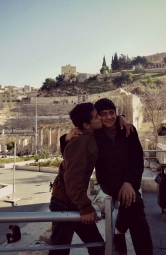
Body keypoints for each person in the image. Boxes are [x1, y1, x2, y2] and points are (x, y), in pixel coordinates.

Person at [61, 98, 153, 255]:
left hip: (128, 179)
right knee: (135, 205)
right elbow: (71, 151)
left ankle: (118, 232)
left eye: (112, 113)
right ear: (97, 116)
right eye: (102, 114)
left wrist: (129, 182)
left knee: (132, 207)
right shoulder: (94, 133)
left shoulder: (128, 130)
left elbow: (137, 159)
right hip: (108, 180)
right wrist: (65, 138)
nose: (109, 117)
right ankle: (122, 235)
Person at [49, 102, 105, 255]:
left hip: (74, 202)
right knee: (59, 251)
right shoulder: (80, 142)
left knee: (98, 245)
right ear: (87, 125)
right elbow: (73, 178)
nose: (100, 118)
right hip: (65, 203)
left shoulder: (89, 136)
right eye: (96, 117)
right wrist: (85, 206)